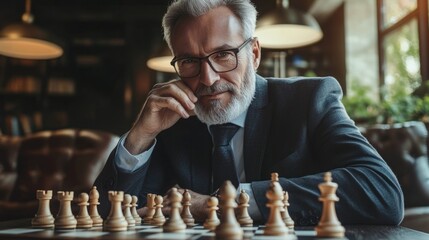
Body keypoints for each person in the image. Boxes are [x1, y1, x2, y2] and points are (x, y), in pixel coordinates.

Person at [94, 0, 404, 225]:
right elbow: (106, 217)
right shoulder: (174, 121)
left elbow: (382, 193)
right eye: (189, 61)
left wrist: (223, 204)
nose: (208, 78)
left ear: (254, 54)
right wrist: (139, 138)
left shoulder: (309, 99)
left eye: (224, 54)